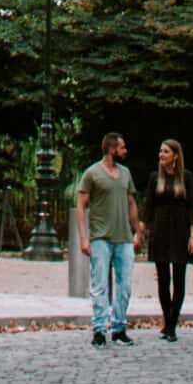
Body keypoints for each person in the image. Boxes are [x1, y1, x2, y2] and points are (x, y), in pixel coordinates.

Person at [76, 131, 142, 346]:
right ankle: (98, 329)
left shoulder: (125, 174)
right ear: (112, 149)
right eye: (122, 148)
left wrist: (137, 232)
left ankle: (119, 327)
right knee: (99, 284)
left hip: (123, 237)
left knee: (125, 285)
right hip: (100, 237)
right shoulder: (92, 173)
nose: (125, 151)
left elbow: (131, 203)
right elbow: (80, 206)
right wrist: (84, 238)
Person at [146, 136, 193, 340]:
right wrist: (142, 231)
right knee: (163, 279)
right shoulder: (154, 178)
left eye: (166, 152)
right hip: (160, 229)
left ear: (175, 156)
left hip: (180, 230)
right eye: (160, 151)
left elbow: (192, 207)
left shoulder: (187, 177)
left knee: (179, 277)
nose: (161, 155)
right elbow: (148, 207)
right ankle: (167, 320)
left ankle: (172, 325)